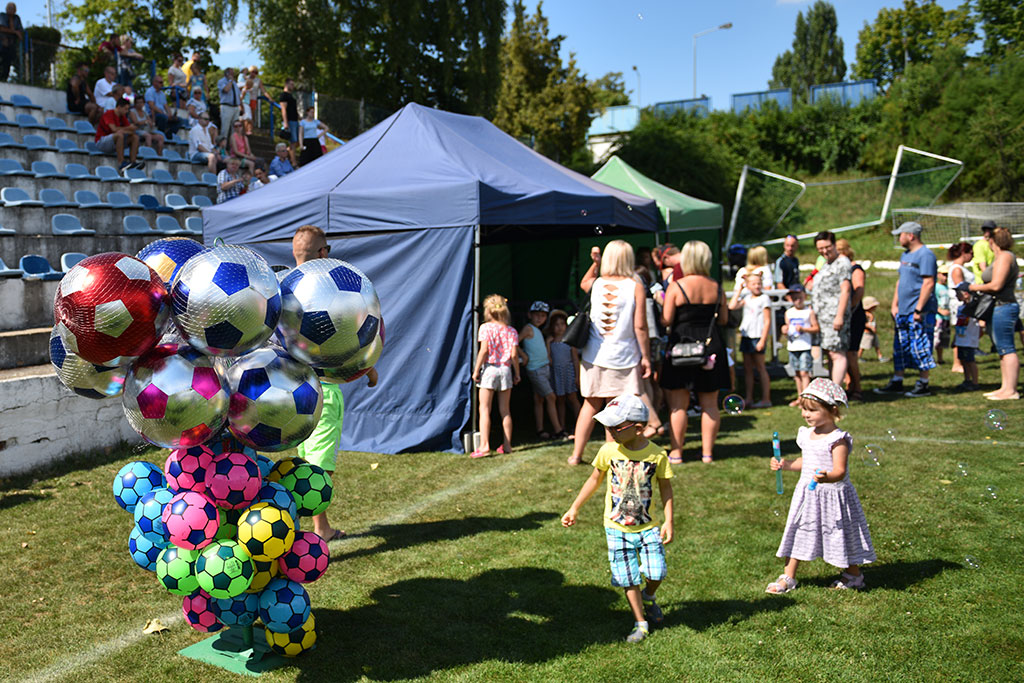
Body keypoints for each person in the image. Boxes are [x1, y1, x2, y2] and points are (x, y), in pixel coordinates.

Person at [561, 394, 673, 644]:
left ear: (638, 428)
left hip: (648, 526)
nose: (610, 431)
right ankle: (640, 622)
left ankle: (649, 596)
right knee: (628, 578)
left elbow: (666, 488)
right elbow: (593, 479)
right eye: (608, 426)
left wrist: (669, 521)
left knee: (658, 571)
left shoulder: (657, 455)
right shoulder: (607, 451)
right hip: (616, 528)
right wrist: (574, 508)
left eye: (616, 427)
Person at [292, 225, 378, 541]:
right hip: (323, 392)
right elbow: (343, 341)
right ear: (324, 253)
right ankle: (320, 529)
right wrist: (368, 370)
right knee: (319, 468)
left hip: (292, 393)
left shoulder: (284, 290)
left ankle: (303, 525)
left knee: (304, 461)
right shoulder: (328, 291)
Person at [766, 378, 875, 593]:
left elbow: (840, 470)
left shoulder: (837, 439)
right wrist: (785, 464)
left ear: (832, 410)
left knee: (838, 533)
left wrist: (827, 477)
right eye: (804, 409)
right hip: (808, 494)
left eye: (812, 410)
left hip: (832, 496)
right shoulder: (807, 435)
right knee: (799, 530)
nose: (806, 414)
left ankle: (853, 574)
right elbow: (806, 462)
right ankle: (788, 576)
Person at [567, 241, 652, 466]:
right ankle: (614, 455)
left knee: (591, 403)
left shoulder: (597, 284)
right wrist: (646, 356)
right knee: (617, 407)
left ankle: (576, 455)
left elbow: (584, 282)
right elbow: (640, 326)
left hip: (594, 354)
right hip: (623, 355)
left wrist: (595, 264)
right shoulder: (635, 285)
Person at [659, 241, 729, 464]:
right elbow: (725, 319)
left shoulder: (676, 287)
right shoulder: (716, 286)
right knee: (710, 403)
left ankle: (677, 452)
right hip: (711, 347)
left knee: (678, 404)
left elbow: (666, 320)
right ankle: (707, 453)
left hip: (682, 346)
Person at [875, 221, 937, 397]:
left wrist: (918, 309)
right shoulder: (905, 255)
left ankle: (923, 383)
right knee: (900, 347)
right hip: (903, 310)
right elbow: (900, 281)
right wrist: (895, 304)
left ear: (911, 236)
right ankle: (897, 380)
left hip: (919, 311)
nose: (899, 237)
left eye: (901, 234)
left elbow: (928, 283)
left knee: (921, 346)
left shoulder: (925, 255)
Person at [969, 227, 1020, 401]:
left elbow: (997, 285)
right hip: (998, 307)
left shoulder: (1005, 256)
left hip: (1004, 306)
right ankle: (1005, 387)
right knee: (1002, 349)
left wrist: (972, 287)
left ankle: (1011, 390)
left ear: (992, 241)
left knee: (1007, 348)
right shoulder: (1001, 257)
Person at [471, 294, 520, 458]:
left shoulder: (485, 328)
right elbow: (514, 355)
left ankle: (484, 446)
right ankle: (507, 445)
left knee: (484, 409)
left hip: (490, 369)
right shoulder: (511, 331)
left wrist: (476, 370)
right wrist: (517, 373)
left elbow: (484, 350)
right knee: (505, 410)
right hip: (505, 369)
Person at [519, 301, 566, 441]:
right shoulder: (528, 329)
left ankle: (540, 430)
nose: (539, 318)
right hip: (535, 369)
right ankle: (559, 430)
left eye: (543, 316)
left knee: (539, 399)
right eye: (536, 315)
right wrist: (523, 355)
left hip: (543, 367)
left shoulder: (537, 330)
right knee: (551, 397)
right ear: (529, 315)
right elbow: (514, 341)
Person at [811, 231, 852, 386]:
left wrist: (840, 315)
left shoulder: (842, 263)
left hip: (834, 316)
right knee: (830, 353)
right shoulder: (825, 263)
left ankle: (836, 392)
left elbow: (845, 290)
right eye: (820, 249)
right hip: (823, 318)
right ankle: (832, 388)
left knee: (837, 353)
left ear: (835, 245)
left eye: (827, 247)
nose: (824, 251)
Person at [730, 271, 772, 409]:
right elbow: (732, 306)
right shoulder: (747, 298)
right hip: (747, 336)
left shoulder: (764, 299)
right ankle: (749, 397)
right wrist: (739, 290)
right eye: (753, 283)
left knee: (760, 367)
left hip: (757, 335)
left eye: (759, 283)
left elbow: (767, 321)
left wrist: (763, 340)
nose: (757, 286)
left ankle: (766, 398)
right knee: (748, 368)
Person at [836, 239, 865, 400]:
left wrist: (849, 310)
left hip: (854, 316)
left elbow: (858, 293)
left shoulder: (855, 269)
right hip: (845, 314)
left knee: (851, 353)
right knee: (843, 353)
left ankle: (857, 387)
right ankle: (849, 384)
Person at [782, 284, 819, 407]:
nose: (797, 299)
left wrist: (804, 329)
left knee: (804, 373)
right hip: (793, 346)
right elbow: (787, 329)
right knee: (797, 373)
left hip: (805, 346)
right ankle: (800, 397)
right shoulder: (789, 312)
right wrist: (784, 330)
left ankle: (807, 399)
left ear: (804, 296)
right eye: (794, 297)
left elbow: (816, 328)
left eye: (799, 297)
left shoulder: (809, 312)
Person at [545, 309, 581, 436]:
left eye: (562, 324)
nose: (560, 328)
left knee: (572, 398)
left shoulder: (569, 341)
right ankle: (561, 426)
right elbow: (549, 359)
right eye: (556, 325)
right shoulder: (552, 342)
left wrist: (577, 376)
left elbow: (575, 359)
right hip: (557, 373)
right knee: (560, 400)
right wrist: (548, 344)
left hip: (568, 372)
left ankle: (580, 424)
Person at [946, 242, 975, 374]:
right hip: (961, 306)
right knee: (961, 332)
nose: (972, 256)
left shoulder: (958, 268)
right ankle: (957, 362)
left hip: (963, 305)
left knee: (963, 332)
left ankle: (962, 360)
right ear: (964, 253)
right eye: (971, 253)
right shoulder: (957, 269)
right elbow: (961, 288)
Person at [95, 98, 141, 171]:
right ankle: (121, 163)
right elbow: (114, 129)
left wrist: (128, 129)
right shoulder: (109, 113)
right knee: (119, 134)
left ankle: (133, 162)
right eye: (125, 109)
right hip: (101, 142)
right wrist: (128, 129)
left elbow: (131, 130)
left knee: (135, 137)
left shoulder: (122, 117)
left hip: (114, 142)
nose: (127, 111)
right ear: (119, 107)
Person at [952, 283, 980, 392]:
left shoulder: (973, 309)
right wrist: (955, 338)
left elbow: (979, 325)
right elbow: (958, 324)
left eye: (958, 293)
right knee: (963, 360)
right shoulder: (960, 308)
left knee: (970, 361)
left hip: (969, 339)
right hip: (961, 338)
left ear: (966, 294)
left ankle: (975, 382)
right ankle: (967, 380)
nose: (956, 296)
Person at [278, 78, 300, 164]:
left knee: (297, 141)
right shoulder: (284, 95)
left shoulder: (291, 95)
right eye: (291, 84)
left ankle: (286, 152)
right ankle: (293, 162)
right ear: (286, 84)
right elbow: (283, 109)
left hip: (295, 120)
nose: (293, 86)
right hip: (290, 121)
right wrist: (285, 122)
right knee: (293, 142)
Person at [217, 67, 242, 139]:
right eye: (231, 73)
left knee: (235, 129)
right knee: (225, 128)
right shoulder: (222, 81)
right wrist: (230, 80)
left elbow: (237, 95)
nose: (233, 75)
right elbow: (226, 89)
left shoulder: (234, 83)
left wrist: (240, 106)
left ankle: (233, 147)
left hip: (235, 107)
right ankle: (222, 147)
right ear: (227, 73)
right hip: (227, 107)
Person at [0, 3, 22, 81]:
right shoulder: (2, 15)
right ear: (6, 9)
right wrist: (14, 32)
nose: (11, 9)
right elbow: (1, 28)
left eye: (12, 8)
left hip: (11, 44)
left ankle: (4, 78)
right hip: (2, 41)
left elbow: (20, 32)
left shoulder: (16, 18)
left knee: (8, 61)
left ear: (15, 10)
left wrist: (15, 32)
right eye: (9, 8)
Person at [858, 297, 884, 362]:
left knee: (877, 345)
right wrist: (870, 327)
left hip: (873, 333)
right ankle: (858, 357)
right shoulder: (865, 315)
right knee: (863, 346)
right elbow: (864, 323)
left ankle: (880, 356)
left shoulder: (870, 314)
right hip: (867, 333)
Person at [934, 266, 951, 365]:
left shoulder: (947, 288)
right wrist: (939, 310)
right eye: (943, 275)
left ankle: (940, 358)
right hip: (938, 317)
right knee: (936, 338)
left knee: (943, 339)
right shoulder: (936, 287)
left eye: (947, 275)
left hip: (946, 317)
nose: (945, 278)